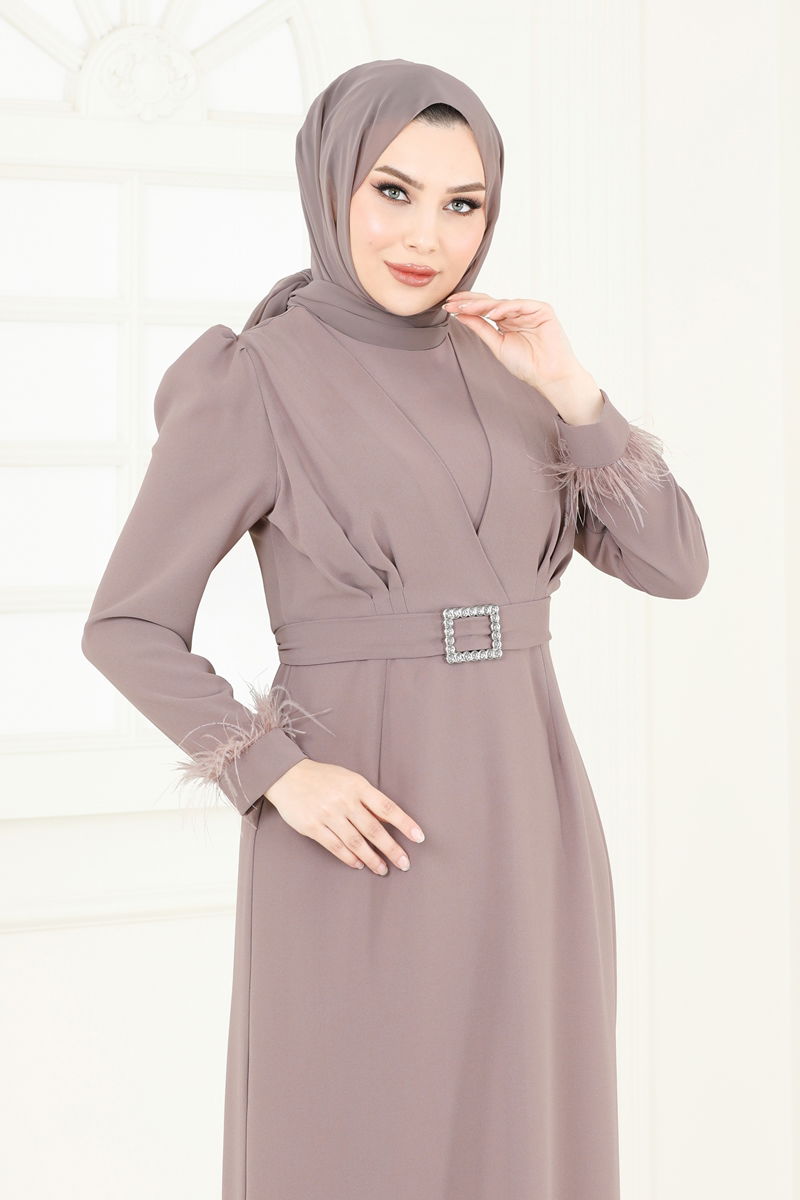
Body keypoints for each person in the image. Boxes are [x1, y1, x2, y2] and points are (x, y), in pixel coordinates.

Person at [82, 58, 709, 1200]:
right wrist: (274, 772)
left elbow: (675, 565)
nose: (427, 236)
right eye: (393, 191)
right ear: (331, 184)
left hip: (529, 821)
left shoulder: (513, 370)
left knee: (527, 1135)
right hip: (360, 827)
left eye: (462, 203)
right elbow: (126, 623)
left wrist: (572, 388)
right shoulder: (253, 378)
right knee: (358, 1141)